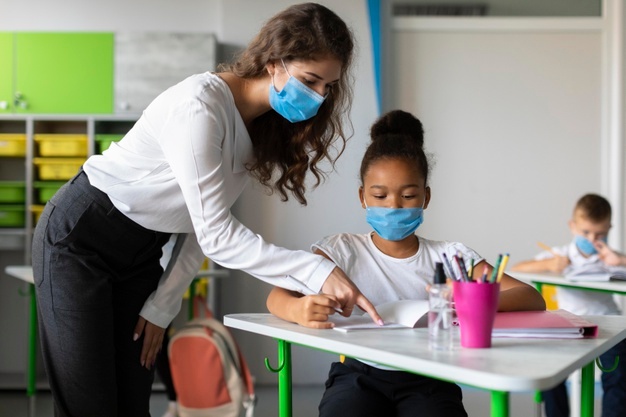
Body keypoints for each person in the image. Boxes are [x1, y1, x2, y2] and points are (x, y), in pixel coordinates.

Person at [31, 3, 381, 416]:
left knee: (130, 400)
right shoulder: (200, 106)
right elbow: (217, 235)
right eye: (311, 80)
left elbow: (199, 226)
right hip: (80, 237)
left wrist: (162, 307)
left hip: (140, 252)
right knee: (89, 406)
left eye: (328, 86)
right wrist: (316, 270)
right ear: (274, 62)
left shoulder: (257, 127)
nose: (320, 97)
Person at [266, 110, 546, 417]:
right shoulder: (342, 250)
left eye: (409, 195)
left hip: (430, 375)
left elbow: (532, 298)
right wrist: (297, 310)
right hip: (359, 374)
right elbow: (277, 297)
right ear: (362, 197)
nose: (394, 206)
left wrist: (472, 300)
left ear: (426, 197)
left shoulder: (451, 257)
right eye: (380, 195)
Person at [511, 193, 626, 417]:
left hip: (609, 324)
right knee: (548, 371)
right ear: (572, 226)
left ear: (609, 229)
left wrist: (619, 261)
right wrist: (550, 264)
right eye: (586, 232)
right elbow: (519, 267)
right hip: (569, 325)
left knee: (619, 376)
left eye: (600, 233)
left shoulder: (611, 256)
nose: (593, 238)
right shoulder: (561, 254)